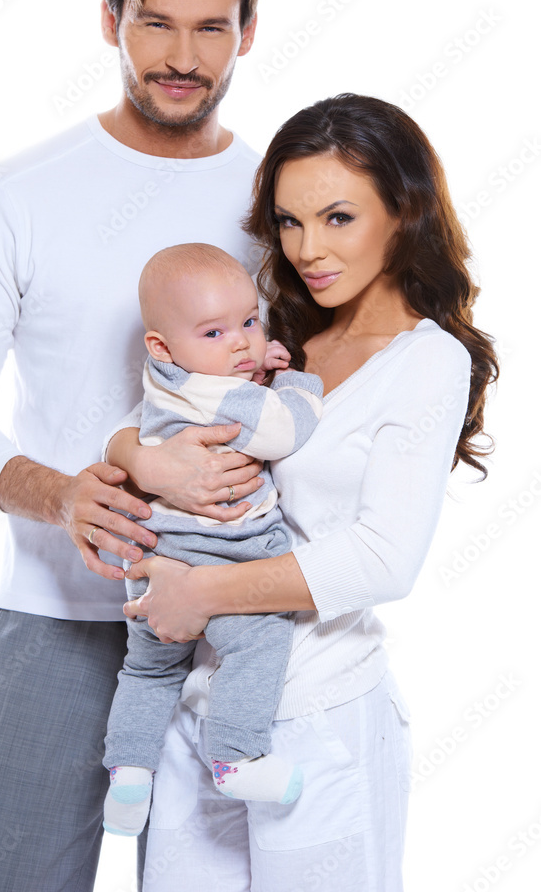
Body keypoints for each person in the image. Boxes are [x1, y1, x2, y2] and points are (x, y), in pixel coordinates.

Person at [0, 0, 269, 891]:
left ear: (246, 33)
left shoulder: (277, 206)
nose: (182, 56)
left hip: (231, 625)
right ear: (111, 19)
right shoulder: (19, 195)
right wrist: (63, 495)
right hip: (54, 620)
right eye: (156, 22)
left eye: (211, 27)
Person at [106, 93, 499, 891]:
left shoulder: (426, 362)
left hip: (318, 719)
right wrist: (134, 459)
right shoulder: (275, 333)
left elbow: (383, 560)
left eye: (337, 218)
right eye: (288, 222)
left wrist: (197, 593)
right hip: (196, 708)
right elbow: (163, 409)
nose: (307, 249)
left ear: (403, 212)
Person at [103, 243, 324, 837]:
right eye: (214, 332)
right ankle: (234, 757)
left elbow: (143, 421)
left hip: (155, 558)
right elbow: (286, 428)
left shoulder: (165, 378)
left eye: (250, 321)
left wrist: (250, 367)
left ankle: (129, 775)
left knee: (147, 670)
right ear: (161, 344)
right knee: (258, 642)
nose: (240, 344)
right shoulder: (231, 397)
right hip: (225, 553)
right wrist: (295, 381)